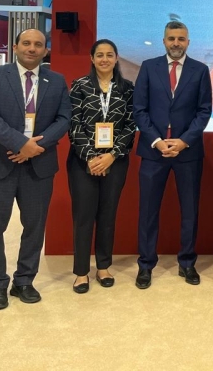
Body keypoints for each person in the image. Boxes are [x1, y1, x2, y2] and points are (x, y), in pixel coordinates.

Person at [0, 29, 70, 310]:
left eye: (38, 44)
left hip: (38, 164)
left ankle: (24, 281)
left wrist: (35, 146)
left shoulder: (56, 80)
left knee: (34, 227)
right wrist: (20, 143)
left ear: (45, 51)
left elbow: (64, 119)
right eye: (26, 43)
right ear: (15, 47)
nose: (32, 48)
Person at [132, 21, 212, 289]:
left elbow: (204, 111)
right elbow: (139, 109)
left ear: (188, 41)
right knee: (147, 211)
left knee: (190, 210)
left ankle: (187, 262)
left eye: (181, 38)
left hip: (187, 152)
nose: (176, 43)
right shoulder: (148, 67)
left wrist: (183, 141)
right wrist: (157, 141)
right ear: (164, 41)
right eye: (171, 38)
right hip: (153, 151)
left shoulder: (200, 70)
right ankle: (146, 265)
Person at [67, 39, 136, 293]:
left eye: (109, 55)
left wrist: (111, 155)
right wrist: (91, 157)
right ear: (92, 58)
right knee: (83, 216)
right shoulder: (80, 86)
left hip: (115, 161)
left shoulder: (127, 88)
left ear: (116, 58)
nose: (104, 59)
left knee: (107, 215)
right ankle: (81, 272)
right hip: (82, 161)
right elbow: (74, 124)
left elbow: (130, 125)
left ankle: (103, 267)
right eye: (100, 55)